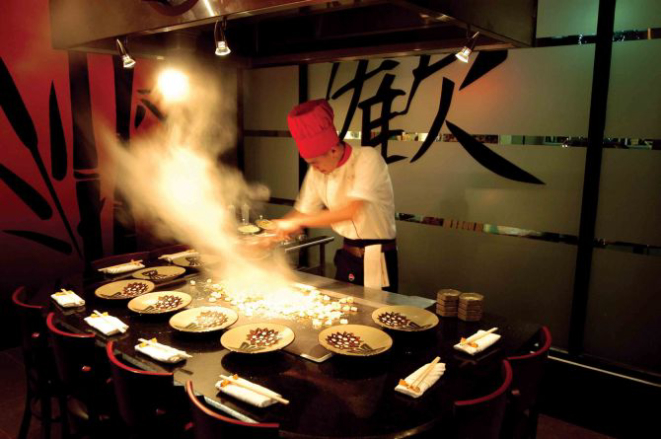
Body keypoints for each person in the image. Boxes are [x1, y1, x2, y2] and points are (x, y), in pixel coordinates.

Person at [275, 99, 398, 292]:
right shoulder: (317, 171)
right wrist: (268, 235)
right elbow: (302, 212)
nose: (313, 168)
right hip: (347, 256)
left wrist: (296, 223)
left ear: (333, 150)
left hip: (377, 256)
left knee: (376, 317)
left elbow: (351, 211)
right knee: (344, 314)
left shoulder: (367, 158)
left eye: (315, 162)